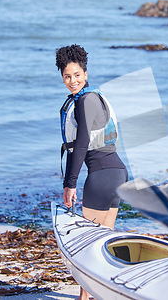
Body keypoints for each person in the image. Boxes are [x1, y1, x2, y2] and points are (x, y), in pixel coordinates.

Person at [55, 44, 128, 300]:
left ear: (85, 74)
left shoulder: (86, 101)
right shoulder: (96, 97)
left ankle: (85, 298)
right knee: (101, 245)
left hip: (101, 176)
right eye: (67, 76)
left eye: (76, 75)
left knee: (88, 246)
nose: (72, 81)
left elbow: (83, 143)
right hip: (118, 173)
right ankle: (97, 295)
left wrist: (70, 183)